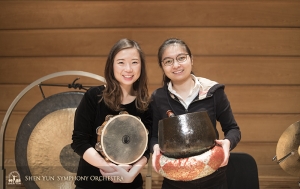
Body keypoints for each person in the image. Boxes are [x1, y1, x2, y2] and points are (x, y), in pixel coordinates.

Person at [150, 38, 241, 189]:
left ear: (191, 60)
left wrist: (227, 143)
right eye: (168, 61)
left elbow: (233, 129)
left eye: (181, 58)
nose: (176, 65)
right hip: (174, 181)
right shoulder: (158, 98)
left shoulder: (214, 92)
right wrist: (154, 149)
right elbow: (153, 136)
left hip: (213, 179)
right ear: (162, 66)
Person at [71, 38, 152, 189]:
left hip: (131, 183)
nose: (128, 69)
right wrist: (111, 170)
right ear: (111, 66)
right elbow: (79, 141)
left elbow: (146, 149)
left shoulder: (145, 104)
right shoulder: (94, 96)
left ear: (141, 66)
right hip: (91, 183)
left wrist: (130, 175)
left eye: (134, 62)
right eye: (121, 62)